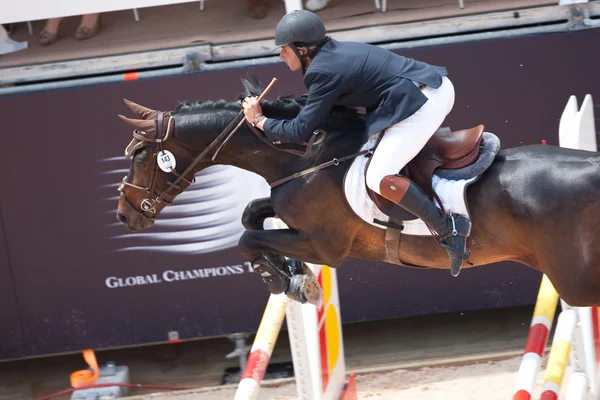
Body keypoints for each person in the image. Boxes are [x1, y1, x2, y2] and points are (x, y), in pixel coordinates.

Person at [241, 10, 471, 277]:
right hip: (418, 92)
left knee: (378, 176)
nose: (281, 56)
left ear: (302, 49)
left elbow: (300, 130)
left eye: (284, 50)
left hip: (422, 102)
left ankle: (448, 229)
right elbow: (316, 110)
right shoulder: (330, 55)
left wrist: (259, 121)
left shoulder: (322, 71)